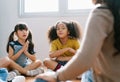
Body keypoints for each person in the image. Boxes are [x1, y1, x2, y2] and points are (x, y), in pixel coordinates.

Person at [35, 0, 120, 82]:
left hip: (75, 64)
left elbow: (84, 58)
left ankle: (67, 74)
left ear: (68, 32)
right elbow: (52, 55)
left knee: (41, 80)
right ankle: (68, 73)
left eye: (63, 28)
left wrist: (57, 76)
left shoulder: (102, 13)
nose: (60, 30)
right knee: (46, 61)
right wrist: (66, 51)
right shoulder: (55, 42)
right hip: (63, 64)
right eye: (58, 29)